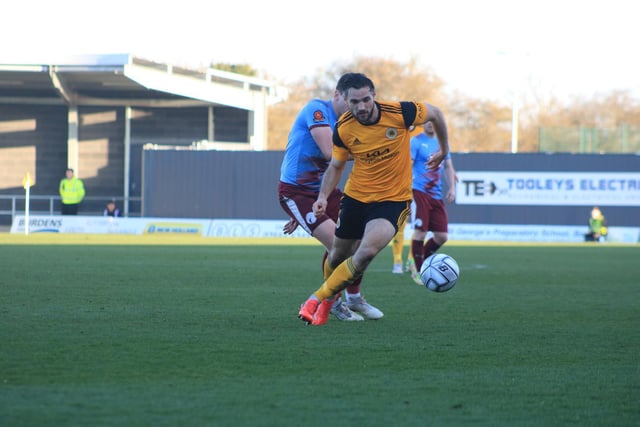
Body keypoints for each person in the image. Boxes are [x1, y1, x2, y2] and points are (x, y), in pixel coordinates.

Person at [298, 72, 450, 325]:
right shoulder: (344, 128)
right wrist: (323, 195)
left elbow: (436, 113)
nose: (362, 106)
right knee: (336, 256)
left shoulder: (401, 112)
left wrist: (444, 149)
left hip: (393, 200)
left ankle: (316, 299)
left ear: (374, 96)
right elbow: (336, 166)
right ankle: (330, 304)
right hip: (356, 198)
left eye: (366, 99)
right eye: (354, 101)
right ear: (344, 100)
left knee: (366, 251)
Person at [278, 74, 383, 322]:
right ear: (338, 95)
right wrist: (376, 150)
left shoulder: (350, 120)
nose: (357, 107)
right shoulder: (317, 110)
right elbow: (329, 152)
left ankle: (354, 299)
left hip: (325, 190)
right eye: (351, 101)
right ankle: (331, 302)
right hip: (297, 192)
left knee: (360, 243)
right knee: (339, 248)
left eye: (361, 101)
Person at [405, 121, 457, 285]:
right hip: (419, 191)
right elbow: (408, 165)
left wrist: (452, 188)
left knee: (442, 236)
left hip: (436, 195)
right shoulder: (416, 141)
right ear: (422, 124)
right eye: (426, 122)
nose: (430, 125)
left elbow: (448, 166)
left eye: (433, 122)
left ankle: (420, 261)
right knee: (420, 232)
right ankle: (418, 269)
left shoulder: (443, 142)